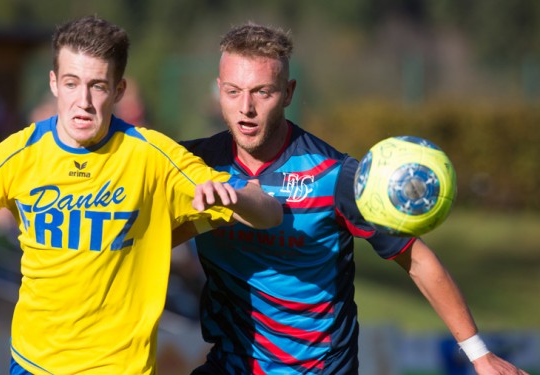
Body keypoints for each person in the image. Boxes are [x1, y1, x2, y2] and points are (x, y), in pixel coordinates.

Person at [173, 22, 529, 374]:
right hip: (230, 365)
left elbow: (417, 260)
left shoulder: (334, 175)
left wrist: (479, 355)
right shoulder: (193, 165)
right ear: (218, 89)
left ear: (289, 92)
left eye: (262, 92)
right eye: (233, 92)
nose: (246, 108)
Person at [0, 16, 282, 375]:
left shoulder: (151, 156)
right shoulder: (20, 154)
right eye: (72, 83)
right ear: (54, 83)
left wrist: (234, 197)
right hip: (35, 365)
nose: (84, 101)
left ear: (119, 90)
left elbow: (269, 212)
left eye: (98, 86)